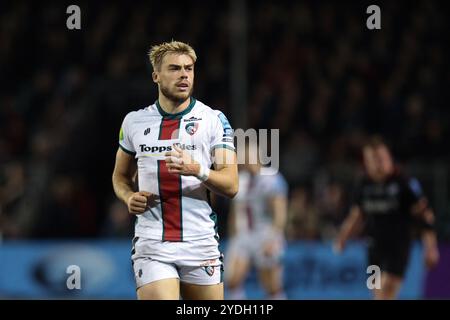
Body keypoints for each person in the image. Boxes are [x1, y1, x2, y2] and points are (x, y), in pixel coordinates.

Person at [112, 41, 238, 300]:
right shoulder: (133, 122)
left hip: (201, 243)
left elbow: (231, 185)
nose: (184, 75)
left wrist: (197, 169)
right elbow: (120, 176)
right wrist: (127, 197)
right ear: (156, 76)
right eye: (174, 68)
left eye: (189, 69)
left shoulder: (214, 119)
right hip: (153, 244)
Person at [334, 136, 439, 299]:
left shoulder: (404, 183)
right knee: (377, 293)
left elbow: (424, 215)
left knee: (387, 291)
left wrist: (430, 247)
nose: (378, 164)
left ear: (389, 158)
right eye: (373, 160)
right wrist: (343, 237)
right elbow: (357, 214)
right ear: (366, 162)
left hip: (398, 247)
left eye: (381, 159)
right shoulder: (363, 184)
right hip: (373, 248)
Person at [225, 142, 288, 299]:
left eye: (247, 156)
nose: (243, 160)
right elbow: (235, 212)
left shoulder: (272, 178)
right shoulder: (241, 180)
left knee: (272, 287)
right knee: (232, 280)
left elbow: (280, 214)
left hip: (266, 233)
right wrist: (234, 236)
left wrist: (273, 239)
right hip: (244, 234)